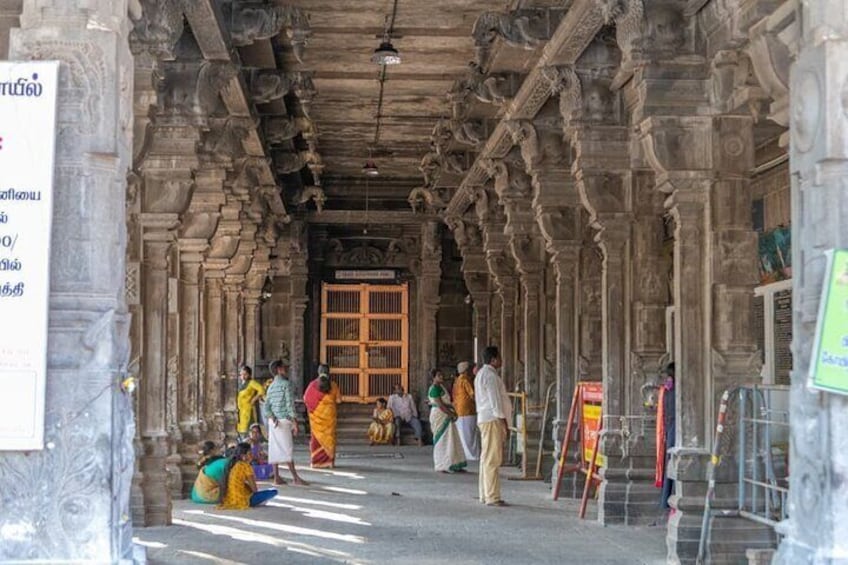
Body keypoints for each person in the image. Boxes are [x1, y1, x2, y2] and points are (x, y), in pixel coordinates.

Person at [475, 346, 512, 506]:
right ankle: (492, 496)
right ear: (494, 359)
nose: (501, 360)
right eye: (500, 357)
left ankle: (485, 493)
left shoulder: (482, 375)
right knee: (492, 458)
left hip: (486, 418)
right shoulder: (489, 376)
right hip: (492, 419)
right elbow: (495, 402)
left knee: (486, 458)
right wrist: (504, 422)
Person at [265, 360, 309, 486]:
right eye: (284, 368)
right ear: (279, 369)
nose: (286, 369)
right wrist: (295, 421)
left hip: (273, 422)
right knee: (287, 449)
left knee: (274, 449)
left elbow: (266, 406)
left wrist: (272, 417)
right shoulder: (286, 384)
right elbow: (290, 404)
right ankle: (295, 478)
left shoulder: (271, 386)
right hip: (284, 420)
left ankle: (276, 477)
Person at [303, 363, 342, 468]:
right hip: (329, 417)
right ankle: (329, 462)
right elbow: (339, 400)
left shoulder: (312, 385)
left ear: (318, 372)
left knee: (316, 439)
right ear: (328, 372)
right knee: (330, 438)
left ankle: (316, 462)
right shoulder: (333, 385)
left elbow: (305, 398)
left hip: (316, 418)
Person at [428, 369, 467, 473]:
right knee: (442, 440)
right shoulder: (434, 389)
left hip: (446, 414)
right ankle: (443, 464)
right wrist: (451, 414)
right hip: (440, 415)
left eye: (441, 375)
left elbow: (446, 403)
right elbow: (440, 405)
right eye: (439, 375)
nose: (441, 377)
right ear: (433, 378)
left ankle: (453, 463)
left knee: (452, 438)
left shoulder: (441, 387)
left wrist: (453, 409)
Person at [218, 442, 279, 509]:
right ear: (243, 456)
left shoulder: (232, 465)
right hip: (243, 500)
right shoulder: (246, 466)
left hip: (229, 500)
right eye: (250, 454)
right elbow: (255, 489)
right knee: (274, 491)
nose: (252, 455)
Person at [656, 362, 676, 510]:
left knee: (669, 462)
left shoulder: (667, 389)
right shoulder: (672, 390)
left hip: (669, 428)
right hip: (674, 428)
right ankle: (668, 500)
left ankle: (666, 500)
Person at [453, 361, 480, 461]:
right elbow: (472, 394)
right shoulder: (465, 380)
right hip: (467, 410)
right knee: (470, 434)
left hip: (459, 410)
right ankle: (472, 455)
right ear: (466, 370)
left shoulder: (457, 381)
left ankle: (466, 454)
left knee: (463, 434)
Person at [236, 365, 265, 439]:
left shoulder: (251, 382)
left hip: (248, 409)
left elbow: (261, 390)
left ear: (249, 374)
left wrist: (254, 399)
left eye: (245, 374)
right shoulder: (241, 384)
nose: (243, 376)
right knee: (241, 429)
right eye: (241, 374)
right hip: (241, 410)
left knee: (248, 429)